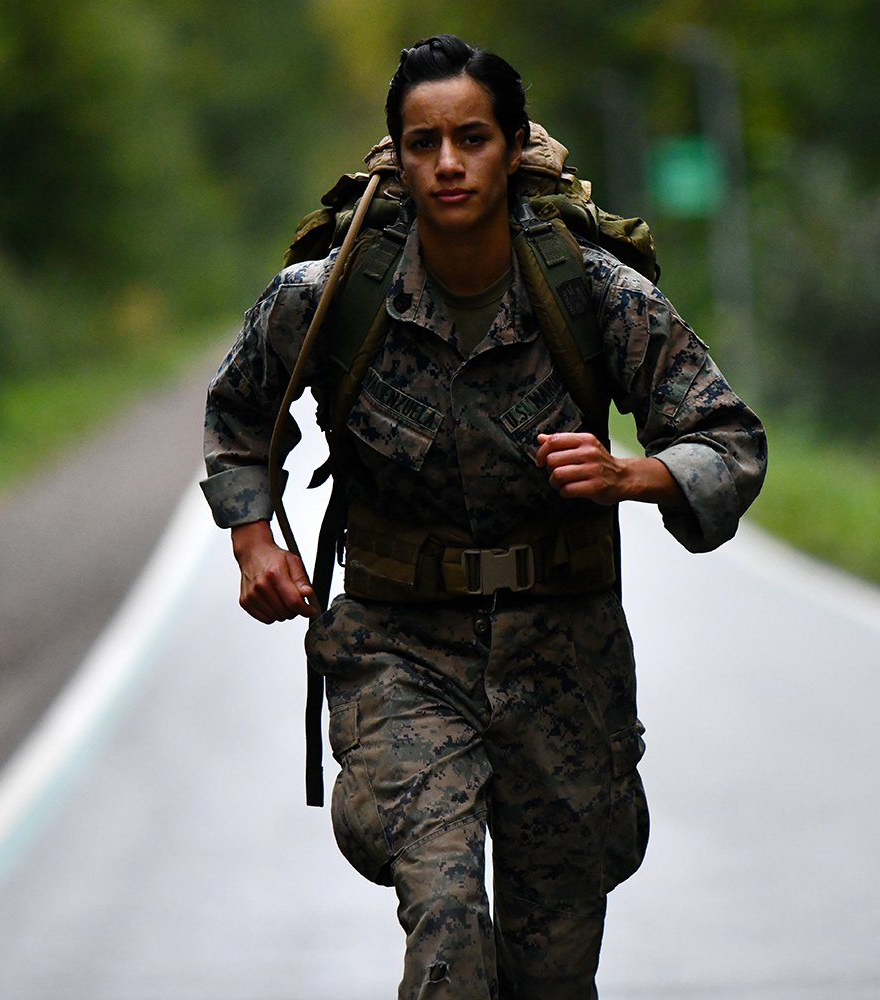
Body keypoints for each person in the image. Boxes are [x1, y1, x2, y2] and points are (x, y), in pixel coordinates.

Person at [201, 34, 766, 999]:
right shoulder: (330, 297)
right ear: (397, 157)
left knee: (551, 969)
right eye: (424, 143)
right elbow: (240, 413)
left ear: (511, 148)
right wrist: (253, 540)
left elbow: (728, 441)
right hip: (400, 654)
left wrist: (635, 476)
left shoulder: (593, 293)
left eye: (471, 138)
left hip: (565, 661)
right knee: (450, 923)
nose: (449, 164)